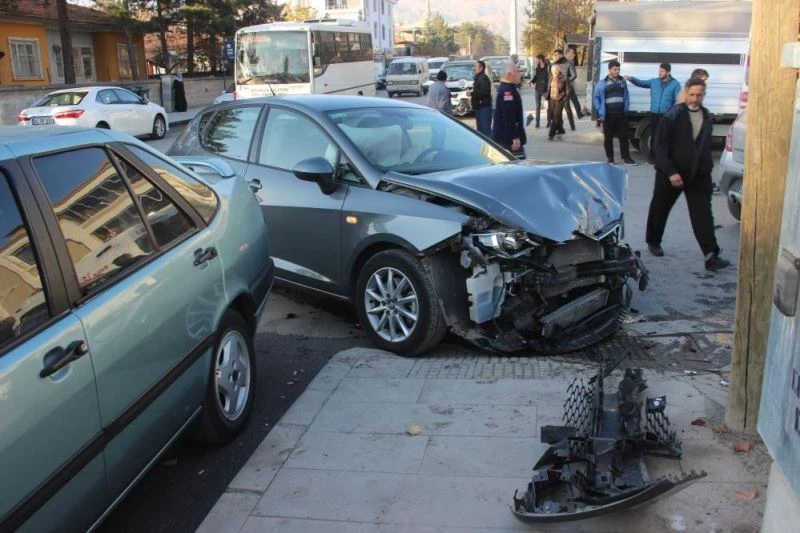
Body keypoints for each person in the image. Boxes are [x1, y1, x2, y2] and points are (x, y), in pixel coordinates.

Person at [645, 78, 730, 271]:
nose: (695, 98)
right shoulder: (673, 114)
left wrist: (706, 173)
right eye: (692, 94)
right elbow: (659, 146)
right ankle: (653, 241)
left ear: (704, 95)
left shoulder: (707, 116)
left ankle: (711, 256)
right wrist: (670, 172)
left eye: (699, 95)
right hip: (670, 173)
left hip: (697, 176)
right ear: (686, 92)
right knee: (660, 207)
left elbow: (705, 148)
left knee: (703, 215)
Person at [625, 63, 681, 164]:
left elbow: (679, 100)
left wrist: (674, 113)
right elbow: (641, 83)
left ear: (668, 72)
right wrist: (631, 78)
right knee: (654, 137)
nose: (660, 73)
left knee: (665, 138)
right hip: (654, 114)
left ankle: (665, 159)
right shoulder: (654, 82)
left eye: (662, 71)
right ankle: (652, 159)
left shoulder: (675, 84)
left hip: (666, 115)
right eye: (659, 71)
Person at [593, 60, 636, 165]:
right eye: (615, 69)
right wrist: (600, 110)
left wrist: (625, 108)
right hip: (608, 115)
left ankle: (626, 158)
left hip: (621, 114)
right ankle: (610, 158)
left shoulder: (622, 82)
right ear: (609, 70)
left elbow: (626, 96)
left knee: (624, 137)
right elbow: (596, 98)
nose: (617, 71)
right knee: (608, 138)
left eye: (618, 69)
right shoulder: (602, 83)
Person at [492, 61, 526, 159]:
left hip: (506, 139)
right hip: (508, 141)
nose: (520, 74)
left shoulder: (509, 88)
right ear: (509, 75)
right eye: (517, 72)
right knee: (518, 167)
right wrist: (514, 136)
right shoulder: (508, 91)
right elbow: (508, 116)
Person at [526, 54, 549, 128]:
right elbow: (536, 77)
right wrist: (531, 82)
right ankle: (537, 123)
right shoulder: (537, 68)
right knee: (537, 106)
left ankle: (549, 122)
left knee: (548, 106)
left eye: (536, 59)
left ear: (540, 59)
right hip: (538, 89)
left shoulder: (548, 67)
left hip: (545, 90)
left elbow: (549, 78)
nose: (535, 61)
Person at [547, 63, 568, 141]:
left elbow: (567, 90)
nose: (554, 72)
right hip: (551, 99)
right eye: (553, 71)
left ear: (558, 71)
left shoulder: (563, 78)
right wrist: (547, 98)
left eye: (556, 71)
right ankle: (561, 130)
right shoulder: (551, 77)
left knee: (556, 116)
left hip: (560, 99)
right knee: (552, 116)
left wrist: (562, 96)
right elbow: (549, 88)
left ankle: (551, 134)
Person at [472, 60, 493, 136]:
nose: (474, 68)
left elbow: (484, 92)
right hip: (479, 107)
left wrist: (472, 93)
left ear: (481, 68)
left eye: (476, 67)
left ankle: (490, 147)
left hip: (484, 108)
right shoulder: (478, 77)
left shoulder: (483, 78)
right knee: (480, 131)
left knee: (485, 131)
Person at [564, 48, 585, 122]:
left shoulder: (571, 61)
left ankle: (579, 114)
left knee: (575, 100)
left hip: (570, 85)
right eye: (572, 53)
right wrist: (566, 81)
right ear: (567, 53)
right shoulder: (565, 62)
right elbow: (573, 75)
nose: (574, 54)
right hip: (565, 85)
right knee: (566, 103)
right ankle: (573, 116)